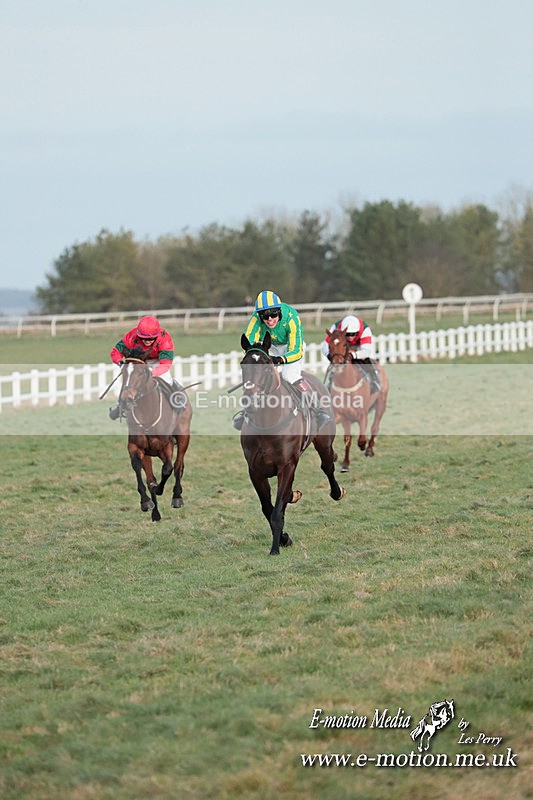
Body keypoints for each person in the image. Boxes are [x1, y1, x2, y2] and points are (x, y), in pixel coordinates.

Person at [233, 290, 331, 430]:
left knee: (289, 375)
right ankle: (246, 412)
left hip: (290, 347)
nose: (270, 319)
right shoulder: (256, 318)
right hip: (269, 346)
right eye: (265, 316)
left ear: (279, 311)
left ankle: (319, 410)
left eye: (273, 314)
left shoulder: (291, 317)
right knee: (259, 376)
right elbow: (249, 342)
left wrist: (281, 359)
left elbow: (296, 350)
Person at [108, 315, 182, 419]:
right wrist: (120, 362)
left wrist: (152, 373)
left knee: (167, 380)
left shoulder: (164, 338)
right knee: (129, 382)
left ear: (157, 335)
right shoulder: (132, 336)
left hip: (158, 361)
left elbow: (165, 364)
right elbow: (115, 352)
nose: (147, 341)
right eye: (143, 338)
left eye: (151, 339)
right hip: (140, 361)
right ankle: (121, 406)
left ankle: (177, 400)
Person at [321, 314, 381, 392]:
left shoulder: (365, 329)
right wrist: (329, 355)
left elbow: (366, 351)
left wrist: (353, 355)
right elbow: (325, 346)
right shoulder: (335, 328)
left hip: (359, 347)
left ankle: (374, 380)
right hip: (342, 346)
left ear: (357, 331)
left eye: (353, 334)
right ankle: (330, 383)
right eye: (348, 334)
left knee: (365, 360)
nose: (350, 337)